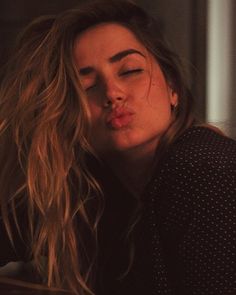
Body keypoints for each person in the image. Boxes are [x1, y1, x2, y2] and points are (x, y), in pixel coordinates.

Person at [0, 0, 235, 294]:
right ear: (67, 114)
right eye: (86, 86)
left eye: (130, 71)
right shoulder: (91, 187)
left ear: (172, 87)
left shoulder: (204, 170)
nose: (112, 93)